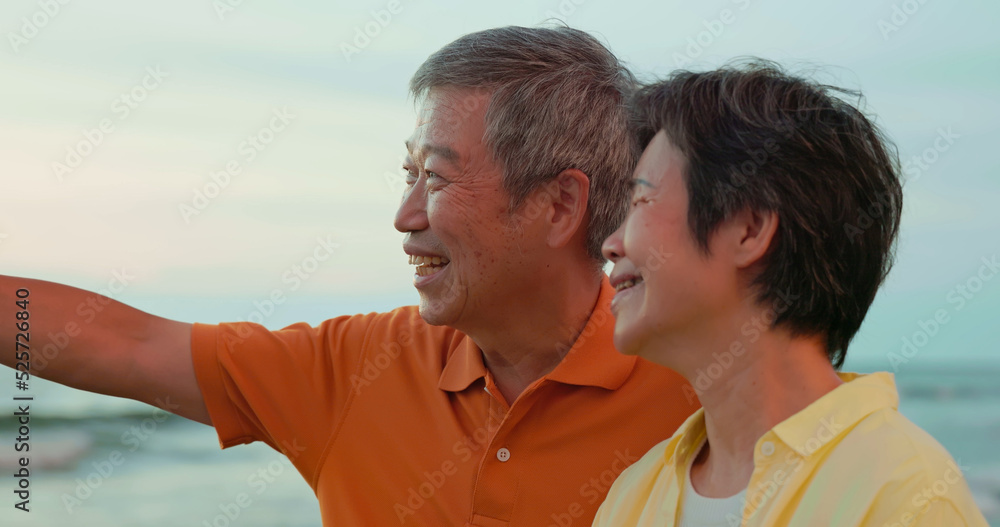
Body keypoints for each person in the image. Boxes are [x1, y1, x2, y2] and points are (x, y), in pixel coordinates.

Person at [1, 26, 698, 525]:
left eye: (435, 177)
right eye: (407, 174)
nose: (403, 215)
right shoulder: (354, 367)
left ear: (559, 204)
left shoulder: (705, 392)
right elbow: (125, 345)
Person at [593, 60, 989, 526]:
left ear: (750, 228)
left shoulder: (905, 497)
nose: (612, 244)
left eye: (641, 201)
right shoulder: (634, 494)